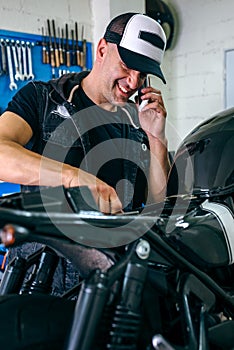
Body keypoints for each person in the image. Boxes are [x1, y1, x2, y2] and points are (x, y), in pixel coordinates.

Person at [0, 12, 171, 294]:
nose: (132, 83)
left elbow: (156, 203)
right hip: (39, 283)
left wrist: (156, 137)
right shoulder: (41, 99)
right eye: (127, 67)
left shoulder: (136, 123)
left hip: (108, 284)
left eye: (142, 75)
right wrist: (75, 178)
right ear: (103, 49)